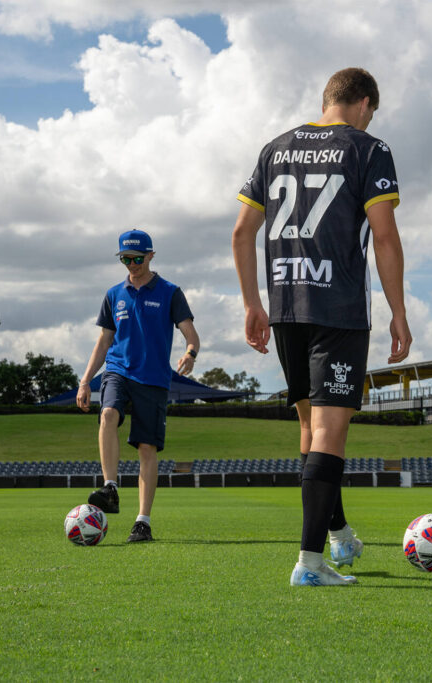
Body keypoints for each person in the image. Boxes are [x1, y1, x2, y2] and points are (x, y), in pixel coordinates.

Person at [232, 67, 412, 586]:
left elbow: (242, 233)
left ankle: (339, 536)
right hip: (337, 308)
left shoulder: (274, 149)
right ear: (364, 103)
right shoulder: (369, 149)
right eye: (372, 112)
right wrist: (399, 312)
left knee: (311, 432)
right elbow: (384, 237)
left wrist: (252, 303)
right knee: (330, 434)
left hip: (285, 306)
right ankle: (310, 564)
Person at [77, 229, 200, 543]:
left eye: (137, 258)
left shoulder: (171, 292)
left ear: (151, 256)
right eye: (125, 259)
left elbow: (191, 335)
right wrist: (85, 380)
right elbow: (104, 341)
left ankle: (142, 522)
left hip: (153, 378)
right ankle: (110, 487)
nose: (132, 264)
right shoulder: (113, 294)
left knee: (147, 448)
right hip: (118, 370)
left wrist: (190, 353)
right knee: (107, 415)